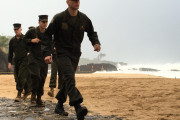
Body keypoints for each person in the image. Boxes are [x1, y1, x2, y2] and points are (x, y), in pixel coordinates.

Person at [43, 0, 101, 119]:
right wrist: (48, 53)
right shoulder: (59, 18)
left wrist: (95, 43)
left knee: (67, 80)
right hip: (61, 52)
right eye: (74, 0)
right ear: (67, 2)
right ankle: (78, 107)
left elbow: (91, 32)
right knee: (69, 76)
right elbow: (47, 35)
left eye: (78, 0)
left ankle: (59, 105)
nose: (77, 2)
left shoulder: (84, 19)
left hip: (75, 54)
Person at [25, 15, 48, 106]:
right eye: (43, 22)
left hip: (43, 58)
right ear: (39, 22)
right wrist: (31, 40)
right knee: (36, 75)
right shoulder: (32, 31)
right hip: (33, 57)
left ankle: (39, 98)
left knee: (42, 78)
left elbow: (50, 44)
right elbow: (24, 39)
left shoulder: (48, 33)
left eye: (46, 22)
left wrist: (50, 55)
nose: (44, 23)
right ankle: (33, 94)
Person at [8, 23, 30, 102]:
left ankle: (19, 94)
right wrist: (9, 62)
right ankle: (27, 90)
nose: (16, 31)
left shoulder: (25, 39)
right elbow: (10, 53)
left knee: (21, 76)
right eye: (15, 29)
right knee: (17, 78)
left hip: (24, 61)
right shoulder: (12, 41)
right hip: (16, 61)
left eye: (17, 29)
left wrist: (28, 56)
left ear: (21, 29)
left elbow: (30, 49)